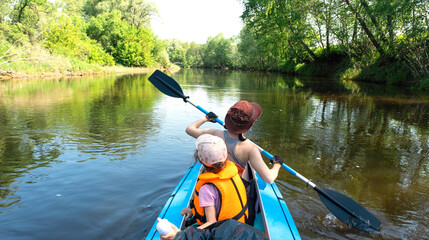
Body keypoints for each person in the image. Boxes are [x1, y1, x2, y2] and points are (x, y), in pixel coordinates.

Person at [160, 134, 248, 240]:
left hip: (225, 235)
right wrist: (194, 211)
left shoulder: (206, 189)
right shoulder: (233, 173)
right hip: (240, 227)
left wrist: (181, 235)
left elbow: (212, 222)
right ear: (225, 157)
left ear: (201, 161)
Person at [185, 100, 284, 184]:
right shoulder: (250, 148)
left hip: (212, 184)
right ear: (250, 125)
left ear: (228, 119)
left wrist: (205, 119)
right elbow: (269, 179)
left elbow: (189, 129)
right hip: (233, 187)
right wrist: (277, 165)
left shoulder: (214, 133)